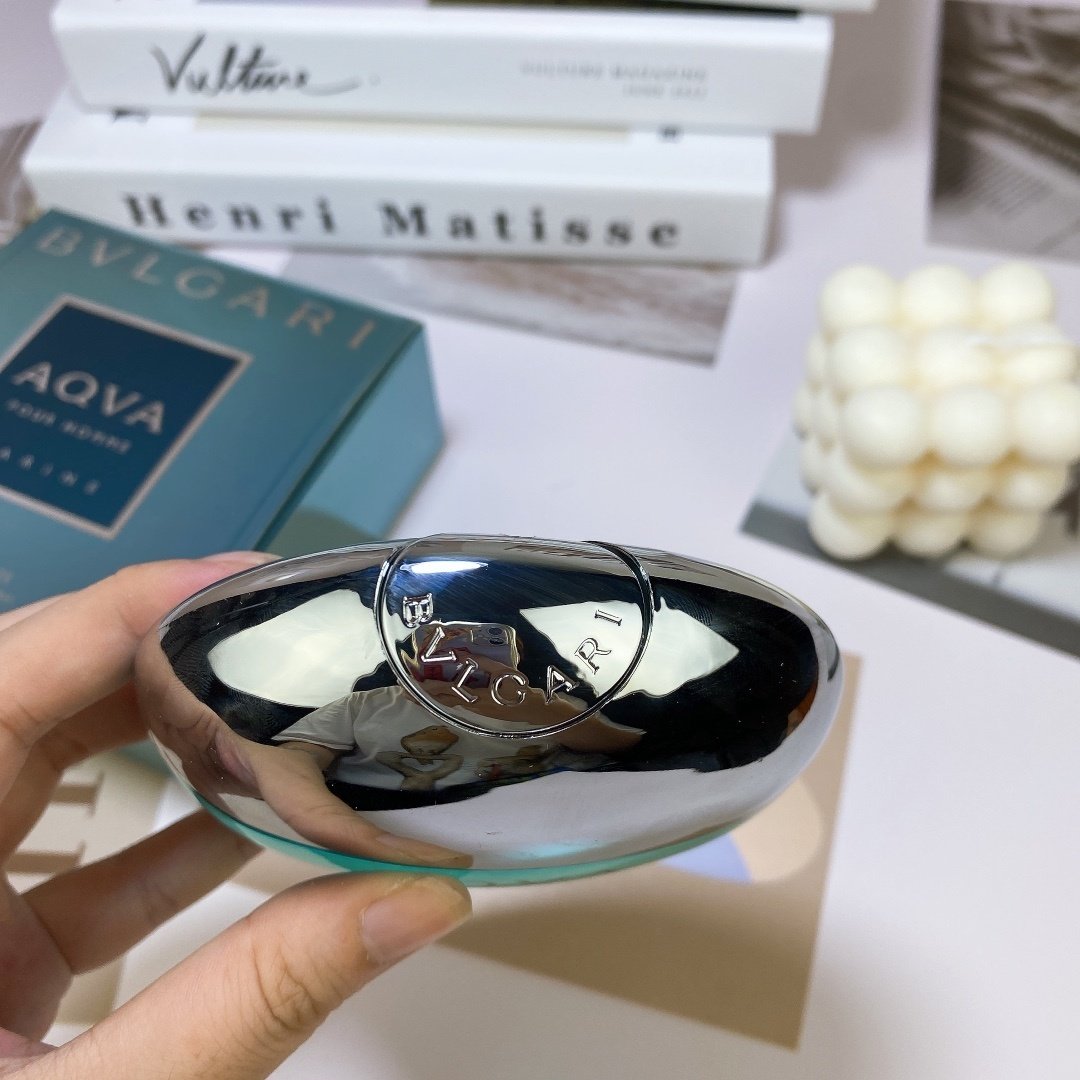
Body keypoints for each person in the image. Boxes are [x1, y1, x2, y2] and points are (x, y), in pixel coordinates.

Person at [0, 555, 472, 1080]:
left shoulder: (508, 702)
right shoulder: (368, 704)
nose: (458, 660)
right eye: (442, 647)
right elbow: (310, 746)